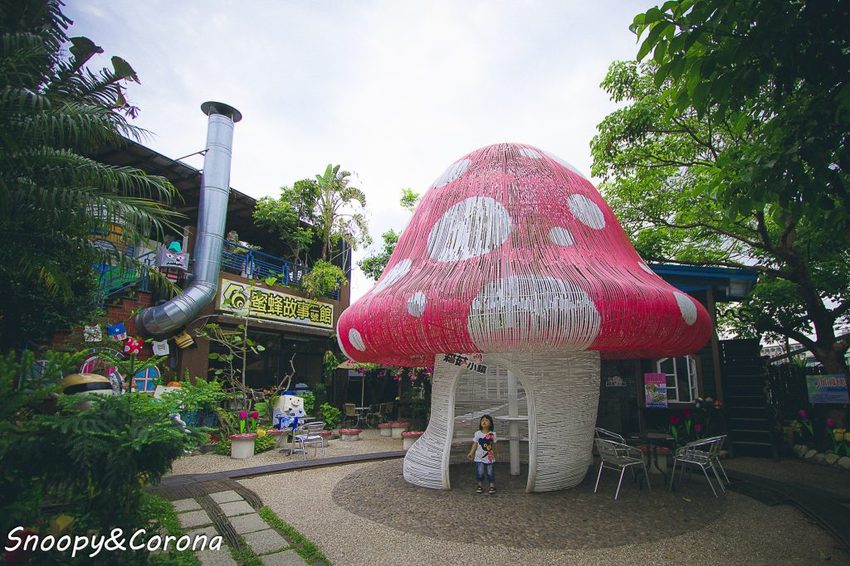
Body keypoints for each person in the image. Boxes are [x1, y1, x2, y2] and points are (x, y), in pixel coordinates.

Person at [466, 414, 498, 494]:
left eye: (486, 420)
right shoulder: (477, 434)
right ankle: (479, 485)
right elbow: (475, 444)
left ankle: (492, 485)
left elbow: (494, 444)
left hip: (490, 457)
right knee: (480, 471)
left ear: (490, 424)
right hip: (479, 457)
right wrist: (471, 453)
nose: (484, 422)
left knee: (490, 471)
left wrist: (497, 453)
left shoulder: (492, 434)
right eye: (482, 420)